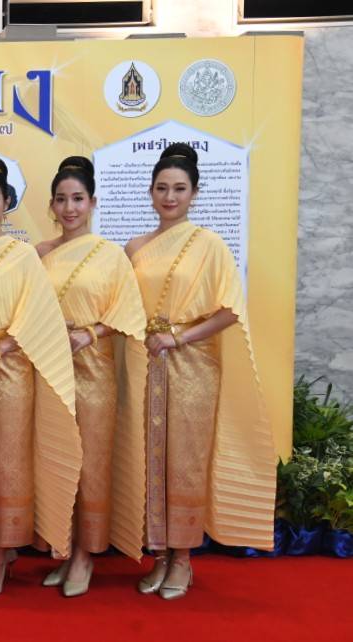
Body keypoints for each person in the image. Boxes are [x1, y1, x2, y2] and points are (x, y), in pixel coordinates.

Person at [125, 144, 275, 600]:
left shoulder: (209, 245)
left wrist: (178, 337)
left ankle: (183, 559)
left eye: (179, 189)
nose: (169, 197)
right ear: (150, 192)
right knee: (150, 456)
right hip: (146, 364)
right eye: (161, 188)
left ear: (195, 193)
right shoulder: (134, 247)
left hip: (192, 366)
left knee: (185, 459)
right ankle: (159, 555)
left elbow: (230, 310)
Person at [0, 156, 82, 599]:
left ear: (7, 203)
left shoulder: (23, 256)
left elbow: (37, 316)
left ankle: (1, 551)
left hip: (9, 369)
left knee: (7, 461)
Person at [36, 157, 148, 597]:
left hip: (95, 370)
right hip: (50, 370)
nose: (69, 208)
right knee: (56, 459)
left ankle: (85, 554)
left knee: (91, 462)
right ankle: (62, 548)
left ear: (93, 202)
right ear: (51, 205)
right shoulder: (40, 254)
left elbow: (129, 313)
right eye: (61, 199)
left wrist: (91, 333)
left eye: (78, 199)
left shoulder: (110, 255)